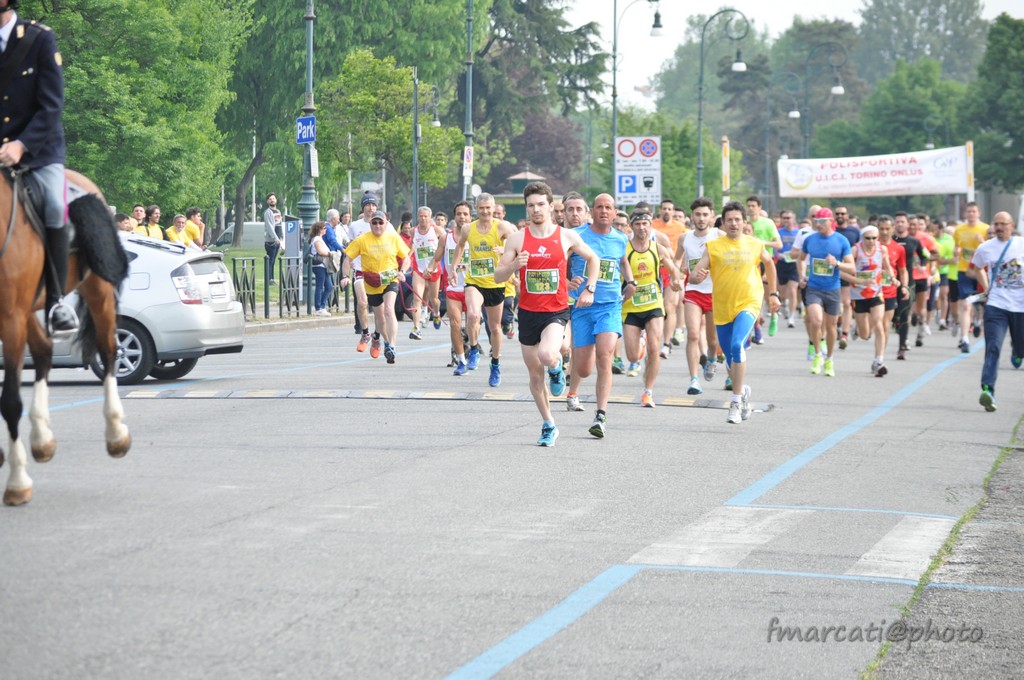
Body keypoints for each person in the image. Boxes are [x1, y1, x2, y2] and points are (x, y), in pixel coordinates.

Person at [494, 181, 599, 447]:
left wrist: (590, 288)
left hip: (556, 310)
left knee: (546, 355)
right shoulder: (517, 238)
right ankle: (549, 423)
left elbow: (593, 259)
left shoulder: (566, 236)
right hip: (528, 312)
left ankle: (555, 366)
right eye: (531, 206)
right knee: (534, 375)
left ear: (551, 206)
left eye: (541, 204)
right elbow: (497, 275)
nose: (536, 210)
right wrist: (514, 266)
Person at [0, 0, 78, 330]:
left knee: (55, 204)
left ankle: (58, 300)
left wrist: (21, 145)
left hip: (38, 152)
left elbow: (51, 106)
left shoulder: (39, 39)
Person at [690, 201, 781, 424]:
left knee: (736, 345)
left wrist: (773, 293)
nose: (733, 223)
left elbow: (769, 264)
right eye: (729, 220)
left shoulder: (754, 244)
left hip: (748, 302)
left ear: (744, 222)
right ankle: (743, 392)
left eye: (737, 220)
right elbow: (695, 273)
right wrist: (696, 277)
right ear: (723, 222)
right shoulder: (714, 247)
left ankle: (736, 401)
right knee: (730, 360)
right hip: (722, 306)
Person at [564, 193, 630, 437]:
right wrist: (568, 282)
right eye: (599, 207)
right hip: (582, 308)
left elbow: (622, 261)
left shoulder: (621, 238)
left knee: (606, 356)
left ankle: (600, 415)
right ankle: (573, 387)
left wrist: (630, 281)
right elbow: (561, 260)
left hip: (610, 306)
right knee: (583, 369)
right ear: (592, 211)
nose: (604, 211)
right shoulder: (578, 236)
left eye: (608, 208)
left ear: (614, 213)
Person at [450, 193, 517, 387]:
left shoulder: (502, 227)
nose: (485, 212)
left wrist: (504, 250)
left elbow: (518, 246)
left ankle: (495, 364)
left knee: (495, 328)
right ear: (476, 210)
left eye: (488, 208)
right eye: (481, 208)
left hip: (496, 282)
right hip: (474, 280)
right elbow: (460, 247)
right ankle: (473, 349)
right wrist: (453, 268)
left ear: (494, 208)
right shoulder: (468, 228)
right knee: (472, 315)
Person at [623, 210, 682, 406]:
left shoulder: (658, 249)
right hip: (630, 306)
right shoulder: (625, 249)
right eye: (637, 224)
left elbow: (673, 269)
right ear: (631, 227)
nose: (641, 228)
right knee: (632, 356)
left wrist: (675, 282)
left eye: (645, 224)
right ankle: (641, 344)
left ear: (650, 226)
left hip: (653, 303)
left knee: (655, 347)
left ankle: (648, 392)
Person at [968, 212, 1022, 412]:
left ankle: (1018, 350)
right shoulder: (985, 248)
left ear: (1011, 225)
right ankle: (988, 390)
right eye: (996, 224)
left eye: (1003, 224)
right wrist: (987, 286)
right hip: (997, 305)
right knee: (993, 346)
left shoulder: (1021, 244)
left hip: (1021, 306)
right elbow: (976, 267)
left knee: (1021, 347)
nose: (999, 227)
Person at [342, 210, 410, 364]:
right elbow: (347, 259)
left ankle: (392, 345)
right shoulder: (362, 240)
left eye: (381, 222)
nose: (378, 225)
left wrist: (403, 272)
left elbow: (406, 257)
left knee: (388, 309)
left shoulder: (393, 237)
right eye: (375, 222)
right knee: (380, 318)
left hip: (390, 279)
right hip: (372, 282)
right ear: (370, 223)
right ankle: (383, 341)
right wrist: (345, 276)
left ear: (386, 223)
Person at [793, 207, 854, 377]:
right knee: (815, 319)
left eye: (821, 222)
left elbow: (852, 267)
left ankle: (830, 359)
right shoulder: (810, 239)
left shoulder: (841, 241)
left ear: (830, 222)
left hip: (833, 289)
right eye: (816, 221)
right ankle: (818, 354)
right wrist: (802, 275)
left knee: (831, 326)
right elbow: (800, 259)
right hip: (814, 287)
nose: (818, 225)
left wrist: (837, 263)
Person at [678, 196, 722, 395]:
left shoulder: (719, 236)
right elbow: (678, 262)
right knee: (693, 335)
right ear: (691, 216)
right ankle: (694, 379)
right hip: (693, 292)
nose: (701, 218)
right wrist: (677, 278)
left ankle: (711, 359)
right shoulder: (684, 238)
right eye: (698, 214)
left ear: (712, 216)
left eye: (705, 214)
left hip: (714, 292)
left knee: (713, 341)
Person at [426, 201, 473, 375]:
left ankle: (471, 348)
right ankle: (460, 360)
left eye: (465, 214)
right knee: (455, 323)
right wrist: (429, 269)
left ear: (470, 216)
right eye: (459, 214)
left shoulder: (475, 236)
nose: (462, 217)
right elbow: (435, 259)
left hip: (473, 287)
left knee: (472, 324)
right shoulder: (447, 238)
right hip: (453, 287)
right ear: (454, 217)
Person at [840, 225, 894, 376]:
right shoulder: (855, 250)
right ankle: (857, 329)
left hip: (876, 293)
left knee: (879, 325)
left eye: (874, 238)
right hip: (858, 295)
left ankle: (879, 360)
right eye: (867, 238)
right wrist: (858, 280)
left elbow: (887, 266)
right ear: (862, 238)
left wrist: (893, 278)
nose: (871, 241)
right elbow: (841, 273)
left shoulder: (882, 250)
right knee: (865, 335)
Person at [349, 192, 392, 351]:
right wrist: (347, 270)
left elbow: (396, 244)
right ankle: (365, 332)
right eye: (368, 204)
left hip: (382, 272)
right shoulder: (355, 226)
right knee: (362, 302)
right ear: (363, 207)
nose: (371, 208)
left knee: (381, 311)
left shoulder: (386, 225)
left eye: (373, 205)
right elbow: (351, 248)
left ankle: (377, 336)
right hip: (361, 269)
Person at [651, 199, 688, 352]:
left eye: (669, 209)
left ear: (673, 212)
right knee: (654, 307)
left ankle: (666, 344)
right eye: (664, 208)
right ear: (660, 210)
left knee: (670, 305)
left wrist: (681, 271)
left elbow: (685, 250)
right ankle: (651, 339)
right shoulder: (652, 225)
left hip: (671, 269)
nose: (666, 211)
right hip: (653, 268)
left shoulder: (680, 228)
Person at [746, 196, 783, 343]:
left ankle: (773, 315)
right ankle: (756, 328)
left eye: (753, 205)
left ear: (759, 207)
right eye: (748, 205)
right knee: (755, 298)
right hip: (749, 263)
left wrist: (762, 242)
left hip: (765, 262)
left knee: (768, 297)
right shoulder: (744, 224)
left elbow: (779, 244)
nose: (750, 208)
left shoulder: (767, 223)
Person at [954, 202, 990, 352]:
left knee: (980, 303)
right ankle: (965, 339)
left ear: (979, 213)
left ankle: (977, 321)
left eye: (974, 211)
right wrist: (956, 252)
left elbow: (992, 248)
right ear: (965, 214)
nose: (971, 214)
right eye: (968, 212)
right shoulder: (959, 229)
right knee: (966, 304)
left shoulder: (986, 229)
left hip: (981, 271)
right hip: (964, 270)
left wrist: (983, 242)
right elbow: (957, 246)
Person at [408, 205, 445, 339]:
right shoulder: (413, 231)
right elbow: (412, 245)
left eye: (426, 216)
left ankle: (436, 314)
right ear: (417, 218)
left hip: (434, 269)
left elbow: (448, 243)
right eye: (421, 216)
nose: (423, 219)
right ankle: (416, 328)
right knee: (417, 298)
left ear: (430, 218)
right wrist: (409, 255)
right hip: (419, 269)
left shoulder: (436, 230)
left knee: (434, 299)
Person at [833, 206, 860, 348]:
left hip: (848, 271)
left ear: (847, 216)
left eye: (842, 213)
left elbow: (861, 251)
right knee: (835, 303)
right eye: (837, 213)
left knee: (847, 303)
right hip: (832, 271)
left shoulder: (854, 232)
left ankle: (844, 333)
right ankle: (837, 324)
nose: (840, 215)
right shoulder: (832, 231)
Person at [775, 209, 801, 328]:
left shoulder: (799, 232)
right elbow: (774, 246)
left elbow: (803, 248)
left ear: (793, 219)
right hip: (782, 263)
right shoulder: (778, 232)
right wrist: (777, 254)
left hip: (794, 264)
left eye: (788, 218)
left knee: (793, 290)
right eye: (784, 218)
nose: (786, 220)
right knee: (783, 292)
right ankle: (784, 303)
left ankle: (791, 317)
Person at [307, 221, 333, 316]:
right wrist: (331, 254)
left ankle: (322, 306)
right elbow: (321, 252)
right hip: (319, 265)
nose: (326, 230)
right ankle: (318, 307)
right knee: (320, 286)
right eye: (324, 228)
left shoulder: (319, 239)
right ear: (320, 230)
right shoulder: (317, 239)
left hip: (323, 266)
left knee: (329, 286)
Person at [263, 192, 283, 285]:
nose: (272, 200)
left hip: (278, 240)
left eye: (273, 198)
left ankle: (271, 278)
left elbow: (280, 225)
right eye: (270, 199)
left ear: (276, 200)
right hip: (271, 241)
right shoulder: (268, 213)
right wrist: (275, 238)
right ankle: (269, 279)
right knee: (270, 260)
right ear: (268, 201)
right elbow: (270, 227)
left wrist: (281, 238)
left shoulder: (278, 212)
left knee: (273, 260)